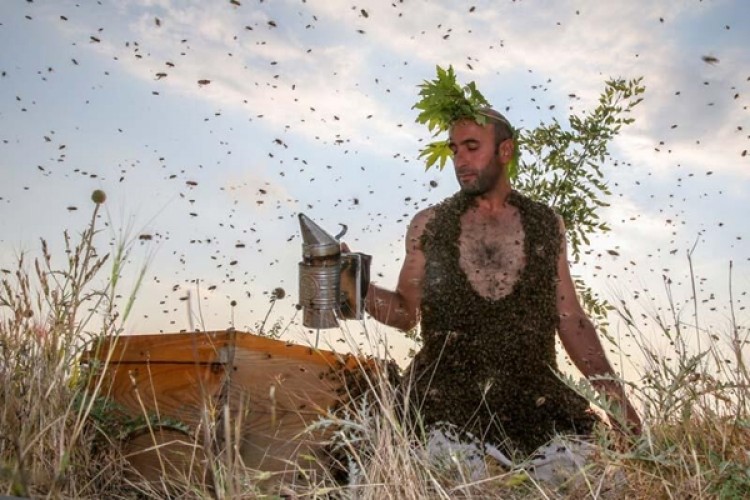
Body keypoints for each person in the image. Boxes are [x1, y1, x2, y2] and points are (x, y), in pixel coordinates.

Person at [356, 108, 641, 458]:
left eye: (472, 146)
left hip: (534, 395)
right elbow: (405, 313)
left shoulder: (546, 225)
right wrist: (354, 286)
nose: (460, 159)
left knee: (589, 475)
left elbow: (571, 320)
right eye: (454, 149)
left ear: (505, 151)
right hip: (442, 398)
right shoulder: (428, 225)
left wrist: (617, 400)